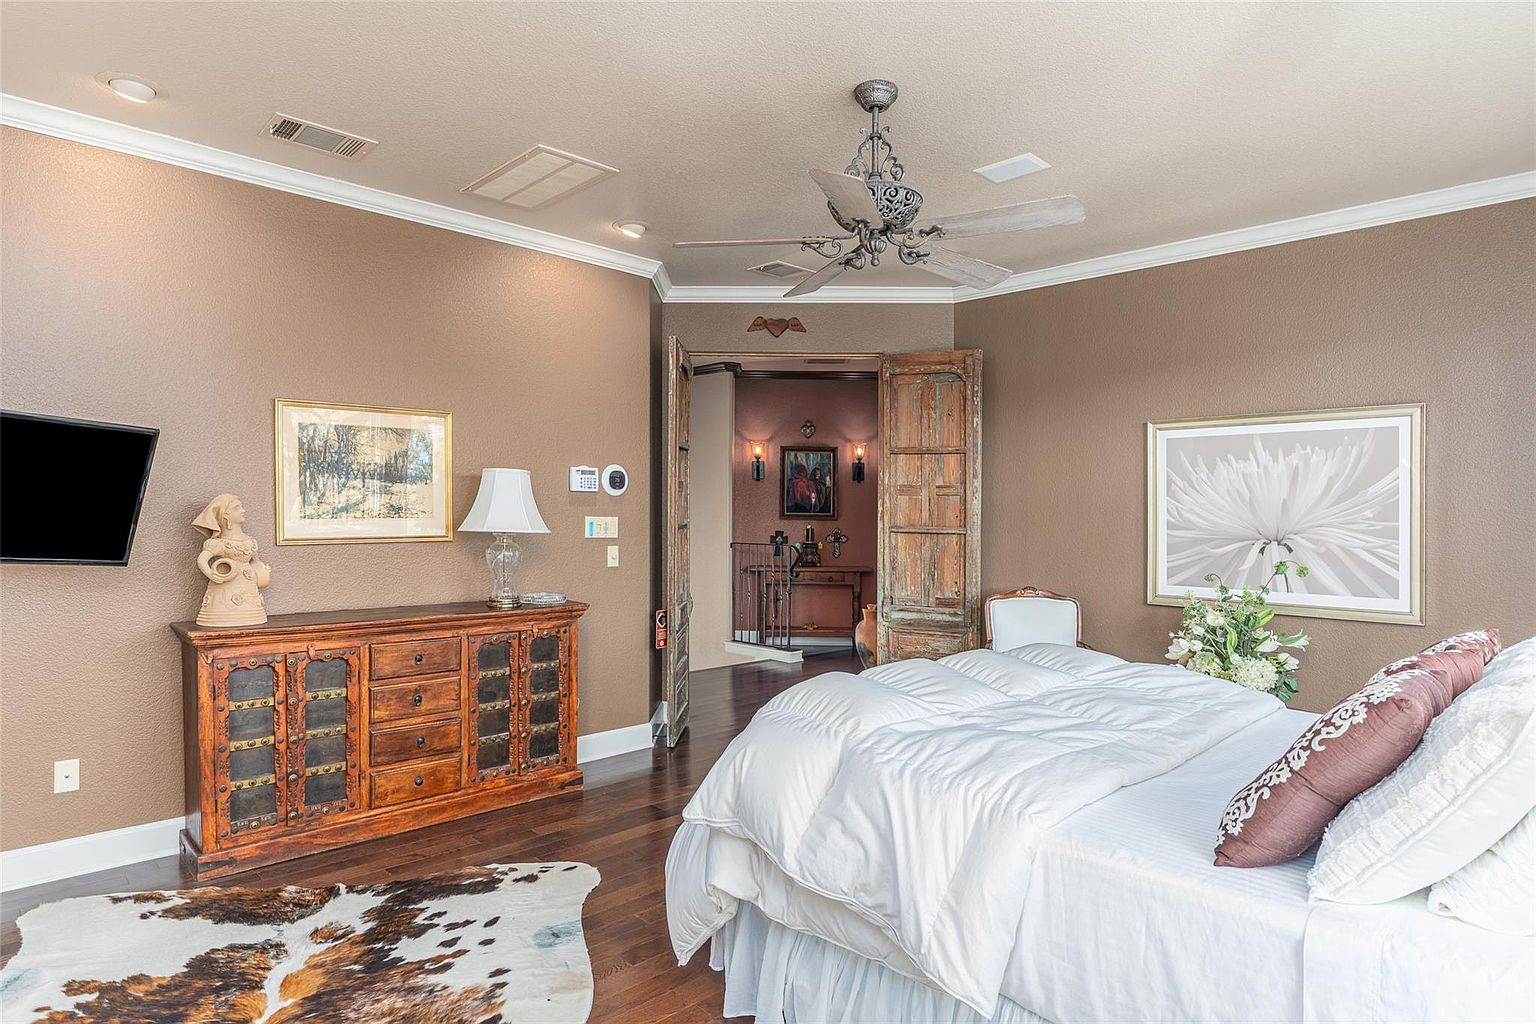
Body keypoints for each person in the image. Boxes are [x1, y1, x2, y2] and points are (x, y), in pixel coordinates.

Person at [193, 494, 272, 626]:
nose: (243, 510)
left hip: (249, 593)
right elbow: (202, 560)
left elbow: (256, 562)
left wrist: (263, 572)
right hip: (225, 588)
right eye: (237, 508)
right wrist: (211, 574)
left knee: (252, 616)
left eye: (241, 507)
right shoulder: (219, 543)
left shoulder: (250, 541)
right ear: (225, 515)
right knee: (224, 614)